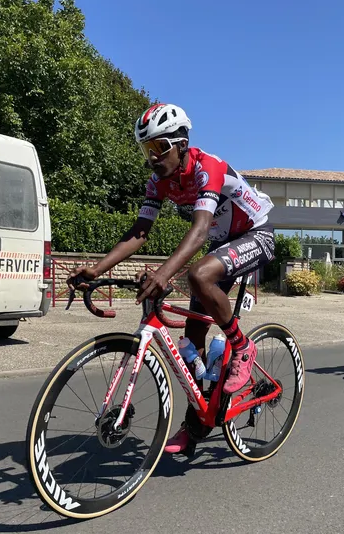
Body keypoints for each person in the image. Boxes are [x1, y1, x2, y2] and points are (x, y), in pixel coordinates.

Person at [67, 103, 276, 454]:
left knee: (198, 274)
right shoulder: (158, 182)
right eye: (146, 149)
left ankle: (242, 347)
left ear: (181, 144)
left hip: (256, 233)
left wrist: (163, 274)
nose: (152, 157)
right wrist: (97, 269)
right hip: (223, 244)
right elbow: (140, 231)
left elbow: (199, 230)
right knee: (192, 341)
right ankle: (197, 423)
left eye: (159, 147)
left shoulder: (207, 167)